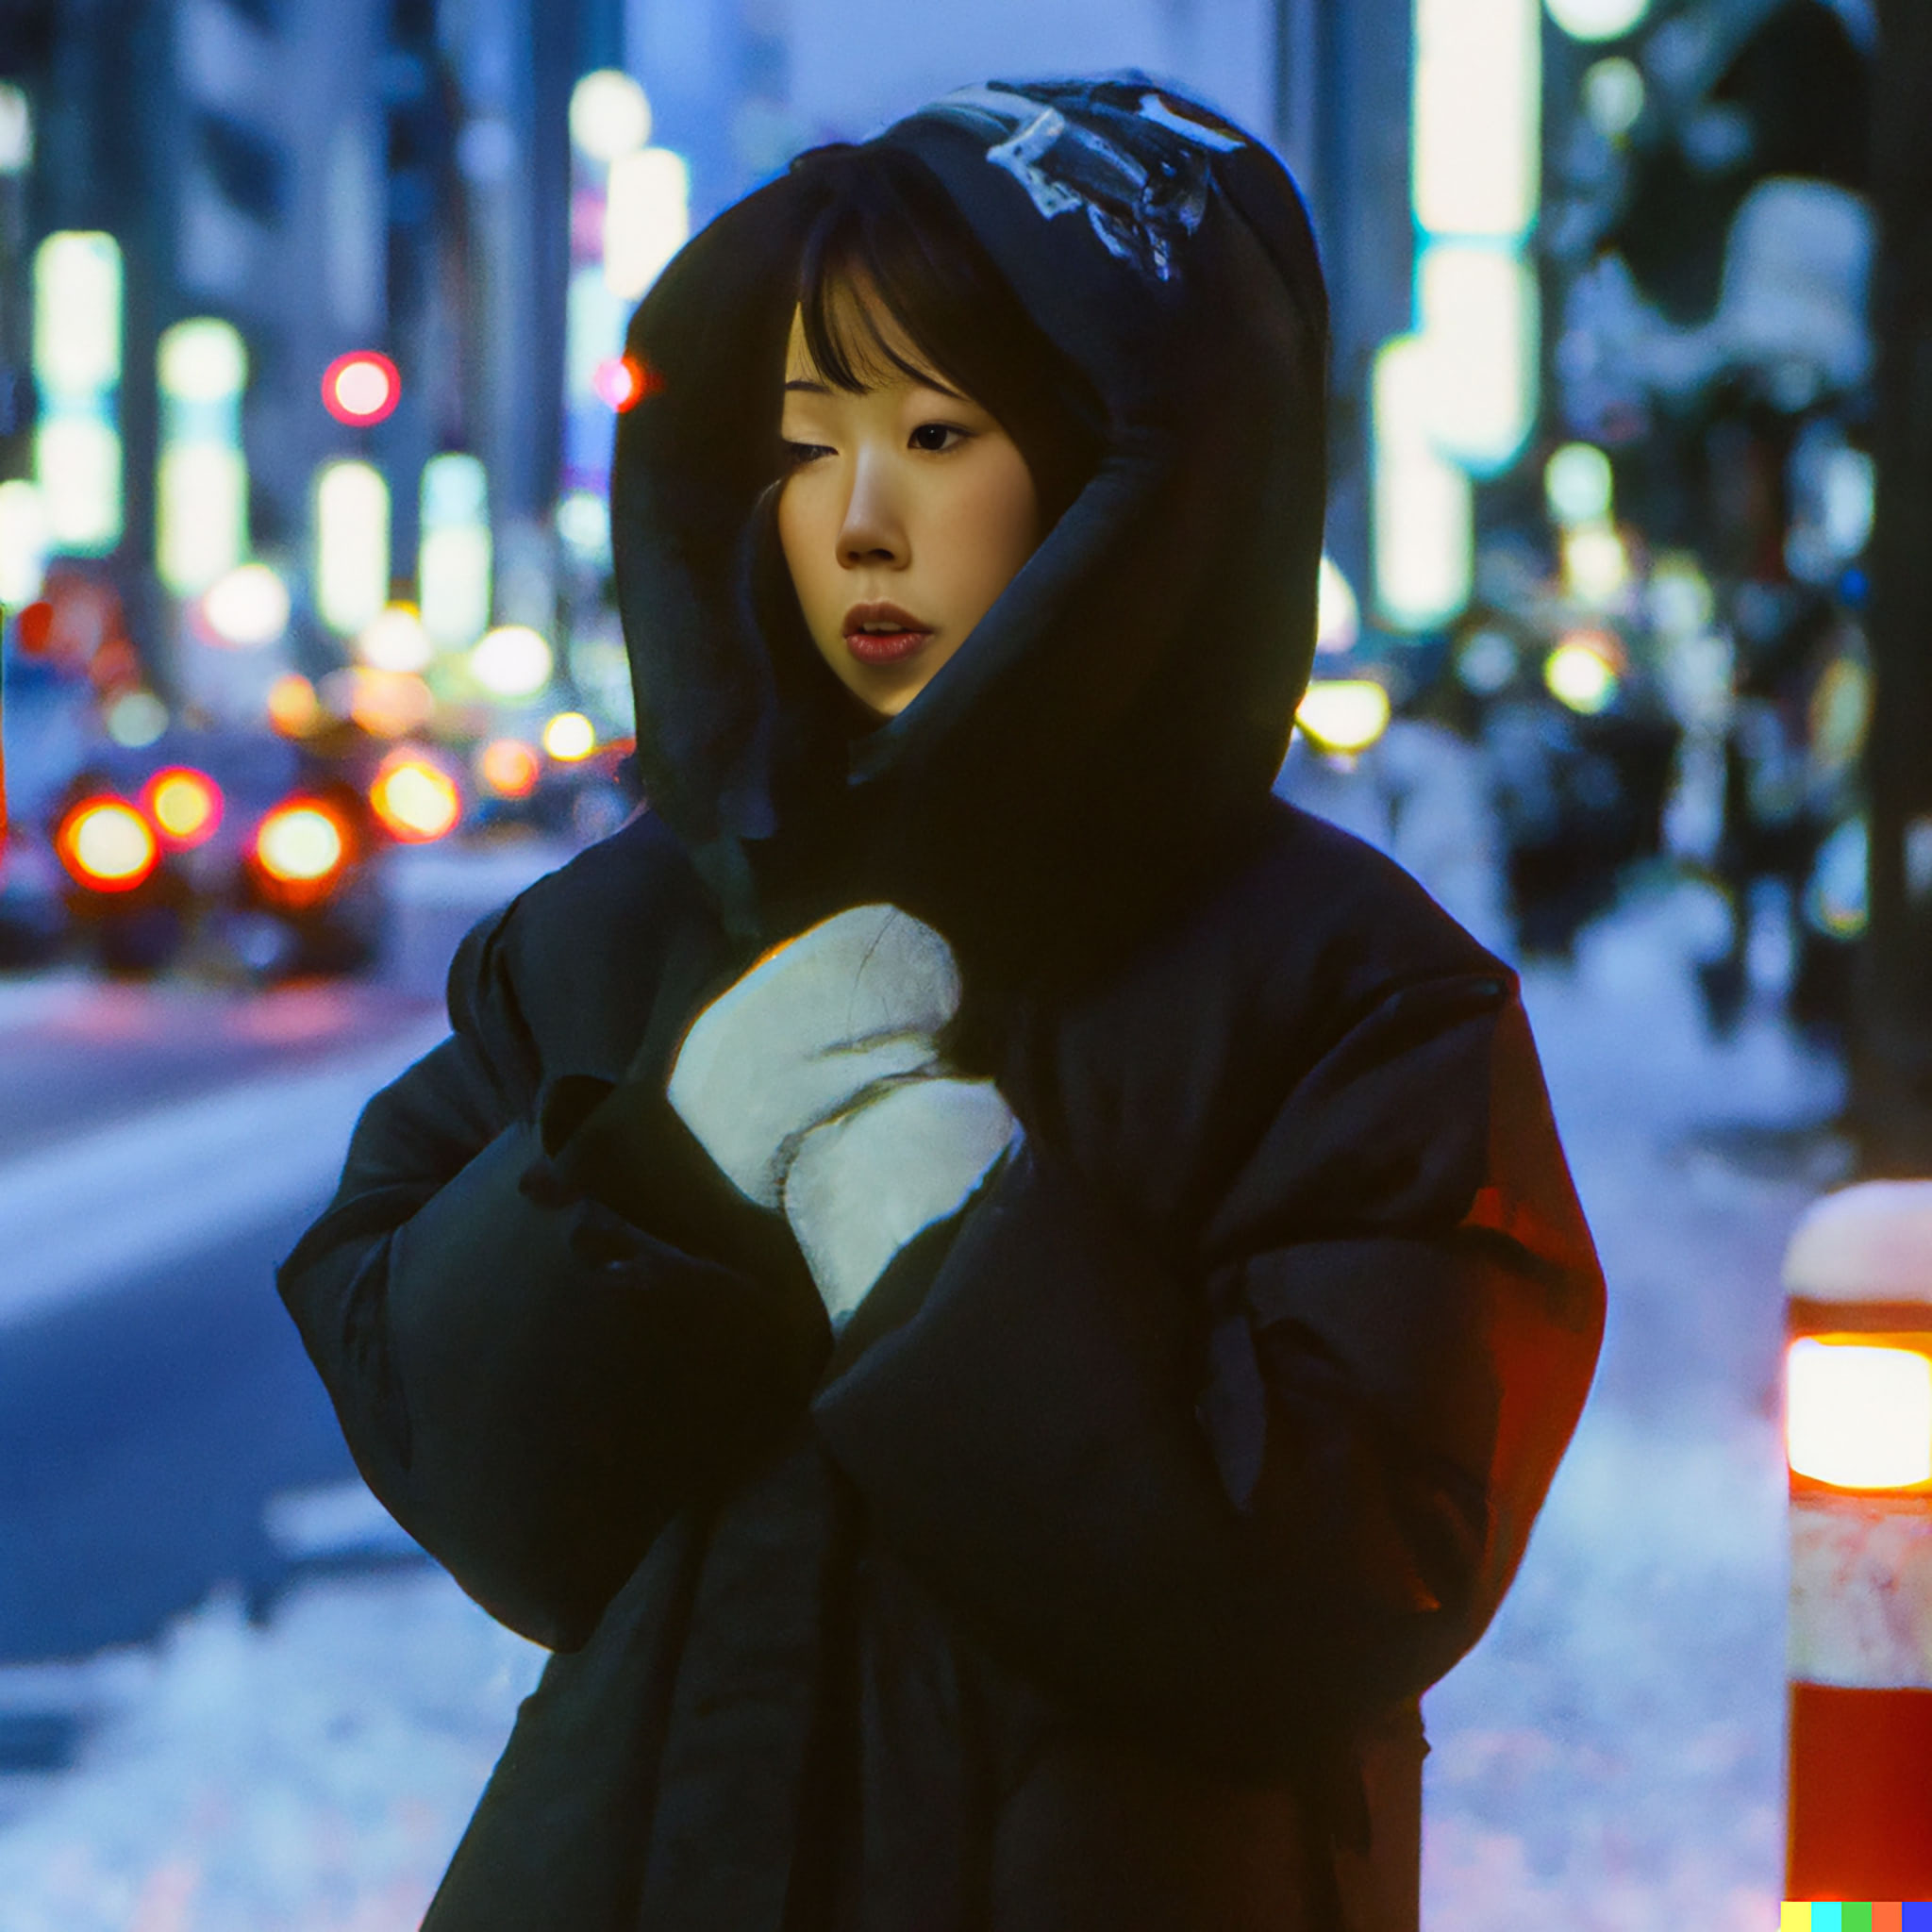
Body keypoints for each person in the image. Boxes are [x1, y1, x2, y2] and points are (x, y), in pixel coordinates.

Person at [277, 76, 1605, 1932]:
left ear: (1128, 476)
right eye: (806, 442)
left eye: (936, 429)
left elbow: (1318, 1605)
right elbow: (469, 1464)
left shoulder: (1344, 995)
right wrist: (663, 1164)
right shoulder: (628, 932)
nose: (859, 520)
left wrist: (935, 1229)